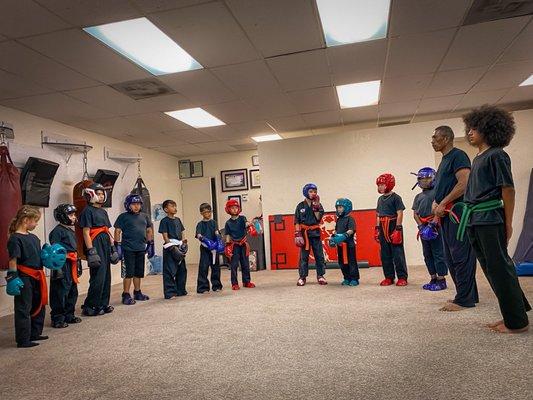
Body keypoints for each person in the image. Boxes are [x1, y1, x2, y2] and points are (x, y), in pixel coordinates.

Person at [458, 105, 530, 333]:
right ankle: (516, 310)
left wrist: (507, 223)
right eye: (469, 127)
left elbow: (507, 190)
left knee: (499, 267)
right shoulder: (478, 157)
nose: (470, 132)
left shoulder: (497, 155)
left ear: (490, 129)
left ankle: (516, 322)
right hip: (475, 219)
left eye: (475, 128)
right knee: (491, 268)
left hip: (490, 218)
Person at [431, 126, 478, 311]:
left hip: (457, 214)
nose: (432, 141)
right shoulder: (444, 160)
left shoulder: (459, 156)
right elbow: (445, 186)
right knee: (451, 256)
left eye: (435, 137)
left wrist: (443, 202)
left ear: (446, 138)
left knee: (461, 256)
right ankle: (468, 294)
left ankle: (464, 300)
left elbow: (464, 183)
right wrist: (436, 203)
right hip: (445, 214)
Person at [6, 206, 49, 348]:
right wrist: (12, 277)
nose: (36, 224)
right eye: (35, 221)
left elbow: (37, 255)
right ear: (26, 220)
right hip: (24, 276)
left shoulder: (34, 238)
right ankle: (23, 339)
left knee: (39, 304)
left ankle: (35, 333)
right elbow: (13, 260)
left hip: (37, 275)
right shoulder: (15, 239)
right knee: (24, 307)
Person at [80, 183, 121, 316]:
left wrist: (112, 246)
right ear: (91, 194)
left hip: (105, 242)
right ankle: (90, 305)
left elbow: (106, 230)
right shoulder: (87, 211)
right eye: (98, 193)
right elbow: (86, 232)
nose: (101, 195)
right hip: (95, 242)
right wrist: (91, 250)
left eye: (103, 193)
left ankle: (103, 304)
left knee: (106, 276)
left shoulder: (103, 211)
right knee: (98, 276)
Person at [411, 168, 448, 291]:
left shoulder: (438, 193)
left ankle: (441, 279)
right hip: (423, 227)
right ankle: (433, 277)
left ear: (433, 178)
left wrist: (433, 224)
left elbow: (439, 209)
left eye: (427, 178)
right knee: (427, 254)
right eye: (421, 179)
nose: (424, 181)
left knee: (438, 253)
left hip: (435, 226)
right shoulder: (418, 196)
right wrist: (421, 226)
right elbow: (415, 213)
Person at [114, 194, 154, 305]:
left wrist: (150, 244)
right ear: (128, 205)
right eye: (134, 204)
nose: (136, 206)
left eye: (138, 204)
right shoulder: (123, 217)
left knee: (138, 272)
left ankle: (137, 292)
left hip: (141, 248)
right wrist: (117, 246)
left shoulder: (145, 216)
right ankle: (126, 294)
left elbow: (149, 230)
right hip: (128, 249)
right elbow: (117, 231)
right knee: (129, 273)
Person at [49, 204, 83, 328]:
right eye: (71, 215)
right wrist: (57, 268)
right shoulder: (57, 231)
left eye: (74, 215)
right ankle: (57, 318)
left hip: (72, 262)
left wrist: (77, 262)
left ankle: (69, 314)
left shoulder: (69, 230)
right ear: (62, 216)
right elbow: (55, 251)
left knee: (72, 290)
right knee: (60, 291)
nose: (74, 217)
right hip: (61, 264)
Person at [374, 174, 408, 286]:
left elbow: (400, 213)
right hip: (383, 226)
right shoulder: (380, 199)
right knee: (385, 254)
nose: (380, 187)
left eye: (382, 185)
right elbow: (378, 215)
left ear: (389, 184)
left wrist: (398, 228)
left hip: (393, 225)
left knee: (397, 253)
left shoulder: (396, 197)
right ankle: (389, 277)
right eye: (378, 185)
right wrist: (377, 229)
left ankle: (402, 277)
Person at [294, 183, 327, 286]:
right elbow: (297, 221)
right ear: (305, 192)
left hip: (315, 233)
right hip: (304, 234)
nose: (313, 193)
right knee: (304, 257)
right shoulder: (300, 206)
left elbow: (318, 218)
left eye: (315, 191)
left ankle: (320, 275)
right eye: (311, 191)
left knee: (319, 255)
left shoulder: (318, 204)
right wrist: (298, 234)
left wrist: (316, 206)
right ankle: (302, 277)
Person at [224, 199, 257, 290]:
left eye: (236, 208)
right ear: (228, 210)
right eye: (232, 208)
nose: (234, 210)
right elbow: (227, 235)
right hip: (234, 245)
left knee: (245, 264)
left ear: (239, 209)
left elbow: (246, 223)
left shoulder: (243, 218)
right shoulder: (228, 223)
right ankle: (234, 283)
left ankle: (246, 281)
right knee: (234, 265)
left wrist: (250, 226)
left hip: (243, 244)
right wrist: (227, 246)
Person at [158, 199, 188, 299]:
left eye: (175, 206)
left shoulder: (178, 220)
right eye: (172, 206)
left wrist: (184, 243)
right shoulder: (164, 221)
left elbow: (182, 232)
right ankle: (170, 292)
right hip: (170, 246)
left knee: (182, 269)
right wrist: (171, 247)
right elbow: (165, 236)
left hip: (179, 245)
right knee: (169, 270)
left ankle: (181, 290)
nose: (175, 208)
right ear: (166, 209)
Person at [329, 198, 359, 286]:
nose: (339, 209)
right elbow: (336, 230)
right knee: (341, 262)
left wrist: (343, 236)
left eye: (341, 207)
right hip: (340, 245)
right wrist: (333, 238)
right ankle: (346, 277)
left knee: (351, 262)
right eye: (337, 207)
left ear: (347, 208)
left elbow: (351, 230)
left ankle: (354, 279)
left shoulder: (350, 219)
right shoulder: (338, 220)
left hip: (349, 245)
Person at [195, 203, 223, 293]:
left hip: (214, 247)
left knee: (215, 267)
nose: (208, 214)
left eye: (209, 211)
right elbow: (198, 234)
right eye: (206, 212)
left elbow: (216, 232)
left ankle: (217, 285)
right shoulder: (200, 224)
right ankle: (203, 287)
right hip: (205, 247)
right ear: (201, 213)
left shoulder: (214, 222)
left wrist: (218, 240)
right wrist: (203, 239)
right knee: (203, 267)